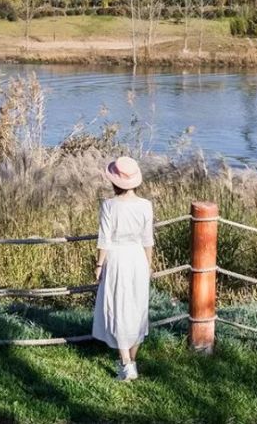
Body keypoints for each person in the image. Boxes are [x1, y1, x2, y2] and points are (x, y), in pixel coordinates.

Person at [92, 156, 154, 381]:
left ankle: (126, 363)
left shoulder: (109, 206)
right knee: (137, 307)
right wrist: (148, 265)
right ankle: (131, 362)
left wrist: (99, 264)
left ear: (114, 182)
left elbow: (104, 239)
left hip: (117, 258)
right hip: (137, 258)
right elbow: (148, 240)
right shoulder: (146, 205)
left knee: (117, 306)